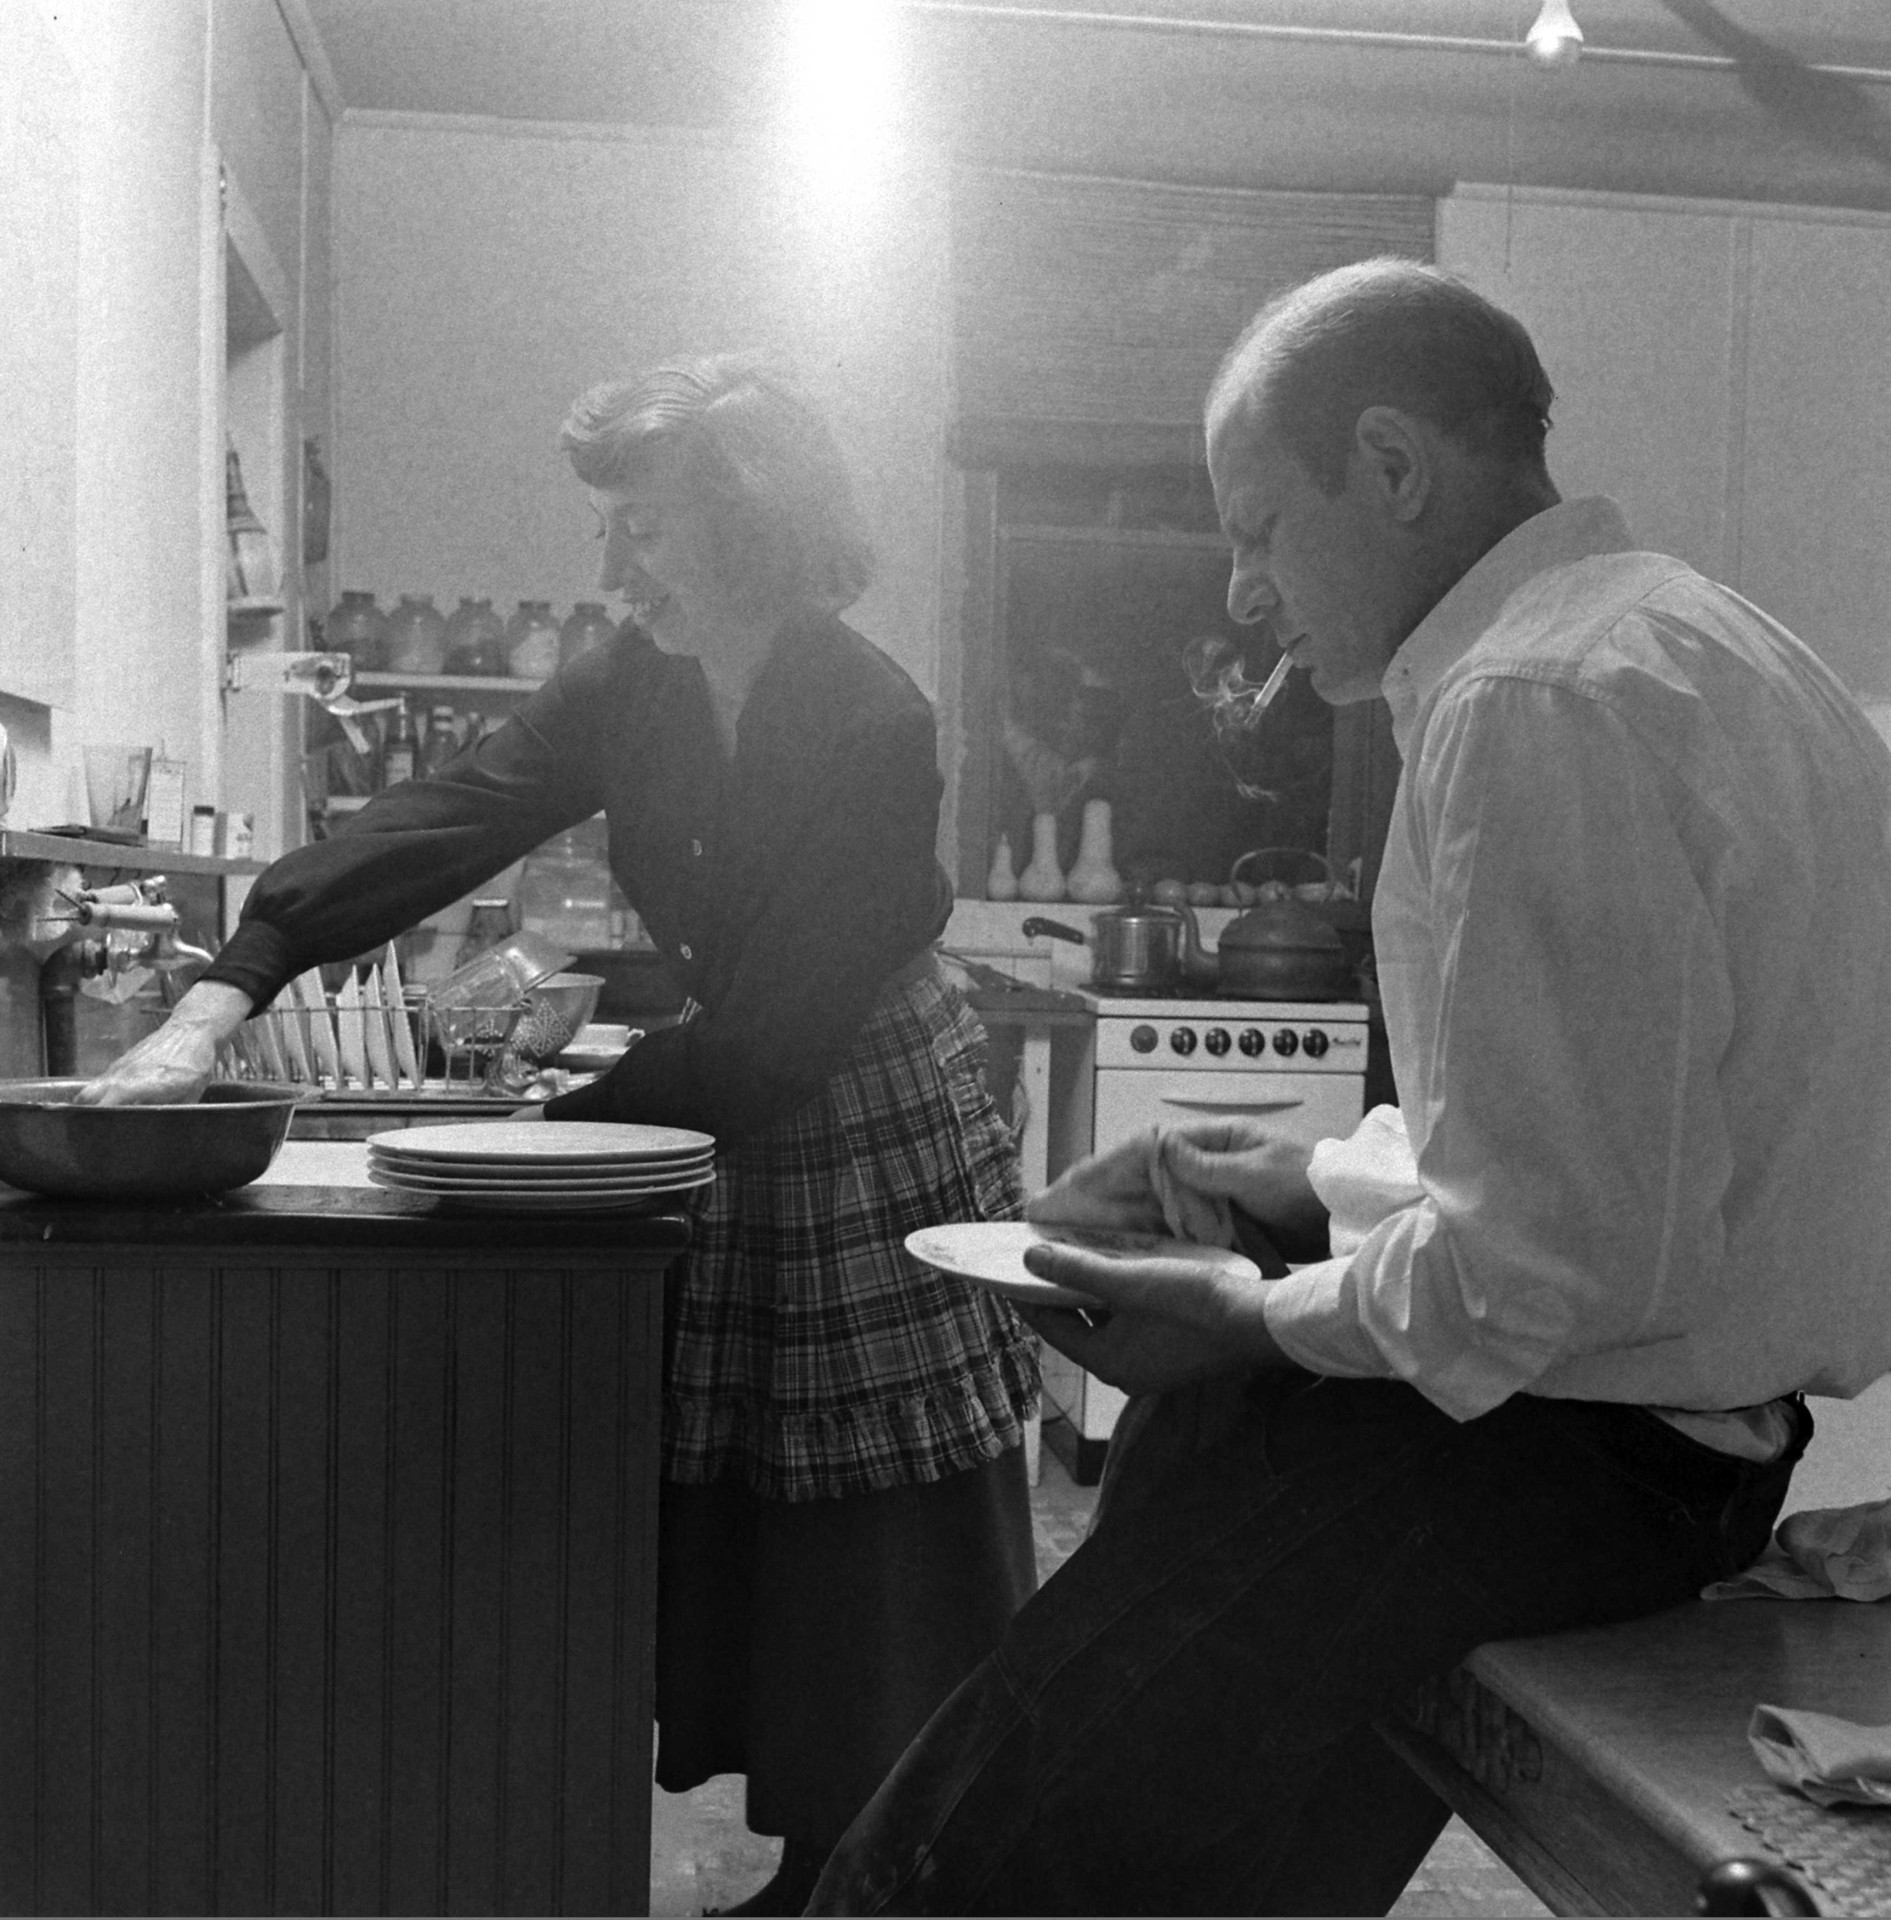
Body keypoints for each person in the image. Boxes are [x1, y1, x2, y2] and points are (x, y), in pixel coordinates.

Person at [807, 257, 1891, 1916]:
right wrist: (1301, 1188)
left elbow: (1548, 1265)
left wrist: (1242, 1314)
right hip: (1670, 1441)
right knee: (1225, 1854)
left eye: (1255, 526)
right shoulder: (1709, 645)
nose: (1243, 587)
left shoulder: (1531, 701)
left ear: (1389, 468)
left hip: (1558, 1460)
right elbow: (1623, 1151)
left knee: (962, 1864)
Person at [84, 353, 1040, 1917]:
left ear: (754, 520)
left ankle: (904, 1866)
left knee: (874, 1500)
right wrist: (224, 991)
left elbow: (782, 1036)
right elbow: (456, 812)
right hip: (736, 1079)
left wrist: (531, 1136)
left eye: (642, 527)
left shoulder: (872, 717)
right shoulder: (629, 683)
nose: (609, 567)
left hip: (862, 1099)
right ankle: (821, 1861)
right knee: (753, 1472)